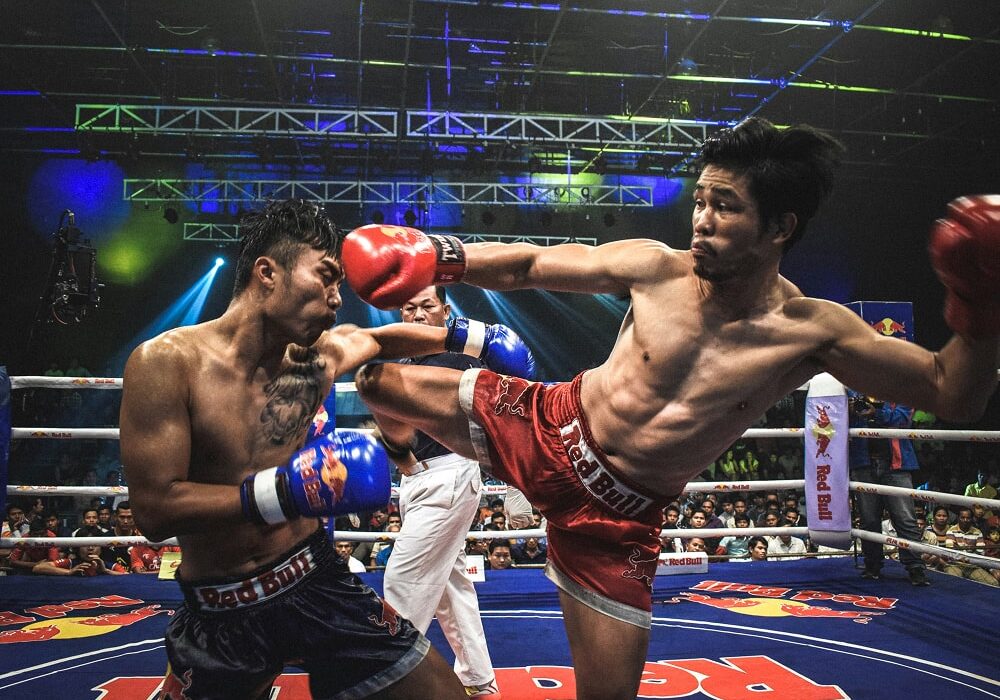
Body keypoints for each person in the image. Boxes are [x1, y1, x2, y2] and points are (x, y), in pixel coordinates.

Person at [345, 118, 1000, 698]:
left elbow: (950, 391)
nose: (702, 221)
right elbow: (530, 265)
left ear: (780, 227)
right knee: (374, 380)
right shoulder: (657, 267)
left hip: (617, 521)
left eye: (725, 207)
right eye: (701, 202)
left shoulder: (811, 331)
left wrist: (981, 305)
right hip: (546, 425)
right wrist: (441, 257)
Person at [118, 199, 540, 698]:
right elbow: (154, 510)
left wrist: (474, 337)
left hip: (316, 580)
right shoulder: (167, 363)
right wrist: (286, 493)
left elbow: (378, 340)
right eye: (325, 277)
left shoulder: (313, 361)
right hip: (222, 605)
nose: (337, 298)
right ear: (267, 273)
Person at [378, 284, 533, 699]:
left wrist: (517, 482)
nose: (417, 315)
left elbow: (511, 403)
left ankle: (387, 684)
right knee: (451, 588)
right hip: (418, 481)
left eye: (427, 306)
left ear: (445, 311)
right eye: (409, 308)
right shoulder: (405, 361)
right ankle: (479, 681)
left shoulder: (460, 358)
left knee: (402, 582)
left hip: (449, 477)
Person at [848, 393, 930, 585]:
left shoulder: (899, 389)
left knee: (905, 519)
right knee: (869, 520)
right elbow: (837, 420)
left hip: (896, 466)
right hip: (863, 463)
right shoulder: (853, 390)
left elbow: (902, 419)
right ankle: (872, 565)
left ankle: (915, 567)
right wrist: (848, 410)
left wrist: (875, 412)